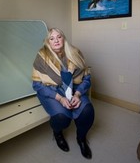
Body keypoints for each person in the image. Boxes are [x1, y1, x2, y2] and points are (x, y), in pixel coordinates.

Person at [32, 28, 95, 159]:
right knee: (62, 118)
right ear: (48, 42)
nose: (56, 40)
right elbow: (37, 85)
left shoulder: (75, 53)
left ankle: (81, 138)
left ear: (64, 39)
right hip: (52, 91)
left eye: (59, 37)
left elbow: (87, 79)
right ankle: (57, 133)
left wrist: (77, 94)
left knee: (87, 111)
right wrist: (60, 99)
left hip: (74, 89)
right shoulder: (41, 57)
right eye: (52, 38)